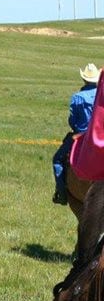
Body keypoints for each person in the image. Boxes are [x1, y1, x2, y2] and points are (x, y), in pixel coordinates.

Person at [52, 63, 99, 204]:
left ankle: (61, 194)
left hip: (82, 136)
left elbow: (73, 121)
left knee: (57, 160)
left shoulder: (77, 97)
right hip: (100, 136)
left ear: (84, 79)